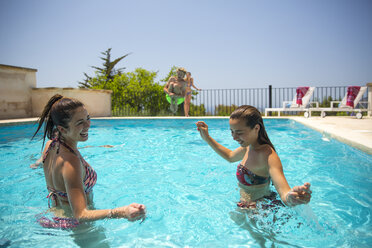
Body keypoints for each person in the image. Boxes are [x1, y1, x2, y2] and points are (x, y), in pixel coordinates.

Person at [32, 94, 146, 228]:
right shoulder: (71, 163)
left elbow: (42, 166)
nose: (87, 125)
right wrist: (121, 212)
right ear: (62, 129)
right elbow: (80, 214)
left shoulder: (50, 145)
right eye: (80, 122)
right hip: (77, 227)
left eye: (88, 118)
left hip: (54, 216)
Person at [195, 105, 311, 210]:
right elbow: (230, 156)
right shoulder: (249, 146)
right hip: (249, 208)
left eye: (239, 132)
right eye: (232, 132)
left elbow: (284, 192)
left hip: (261, 212)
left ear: (256, 128)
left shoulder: (268, 155)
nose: (234, 137)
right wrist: (207, 138)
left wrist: (291, 198)